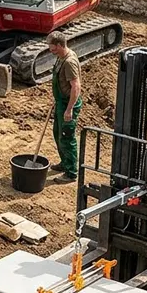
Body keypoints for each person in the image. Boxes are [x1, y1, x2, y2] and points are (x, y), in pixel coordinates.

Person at [48, 31, 83, 183]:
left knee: (67, 137)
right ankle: (64, 163)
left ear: (60, 45)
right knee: (57, 133)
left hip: (68, 104)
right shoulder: (60, 58)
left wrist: (69, 109)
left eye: (53, 48)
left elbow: (76, 87)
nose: (51, 51)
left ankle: (71, 173)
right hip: (61, 102)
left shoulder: (69, 62)